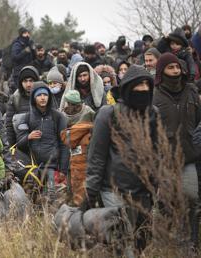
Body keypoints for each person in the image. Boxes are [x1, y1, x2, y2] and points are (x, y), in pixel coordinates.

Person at [83, 64, 158, 253]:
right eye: (138, 85)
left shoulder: (153, 114)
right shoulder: (109, 114)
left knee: (141, 242)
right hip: (113, 191)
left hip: (143, 192)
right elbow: (97, 156)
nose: (143, 90)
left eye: (146, 85)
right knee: (124, 245)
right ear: (127, 89)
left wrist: (157, 185)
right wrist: (90, 191)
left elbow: (158, 153)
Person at [152, 52, 201, 249]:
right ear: (161, 70)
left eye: (177, 67)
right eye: (170, 68)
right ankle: (165, 243)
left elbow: (198, 120)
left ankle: (190, 243)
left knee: (192, 200)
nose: (175, 71)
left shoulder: (191, 92)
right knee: (165, 203)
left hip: (189, 156)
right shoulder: (153, 95)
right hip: (163, 158)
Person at [15, 82, 68, 203]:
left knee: (52, 201)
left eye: (45, 94)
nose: (43, 97)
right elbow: (19, 145)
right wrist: (28, 136)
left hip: (52, 168)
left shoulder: (58, 117)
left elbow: (64, 145)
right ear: (34, 98)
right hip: (32, 169)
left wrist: (63, 171)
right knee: (33, 202)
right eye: (39, 95)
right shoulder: (27, 118)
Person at [60, 90, 95, 206]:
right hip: (69, 152)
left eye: (71, 104)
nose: (69, 106)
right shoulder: (63, 115)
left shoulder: (88, 112)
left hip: (84, 151)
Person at [5, 66, 39, 146]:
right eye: (25, 81)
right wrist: (11, 147)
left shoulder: (44, 96)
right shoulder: (15, 98)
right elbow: (9, 126)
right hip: (22, 145)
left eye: (31, 81)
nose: (28, 84)